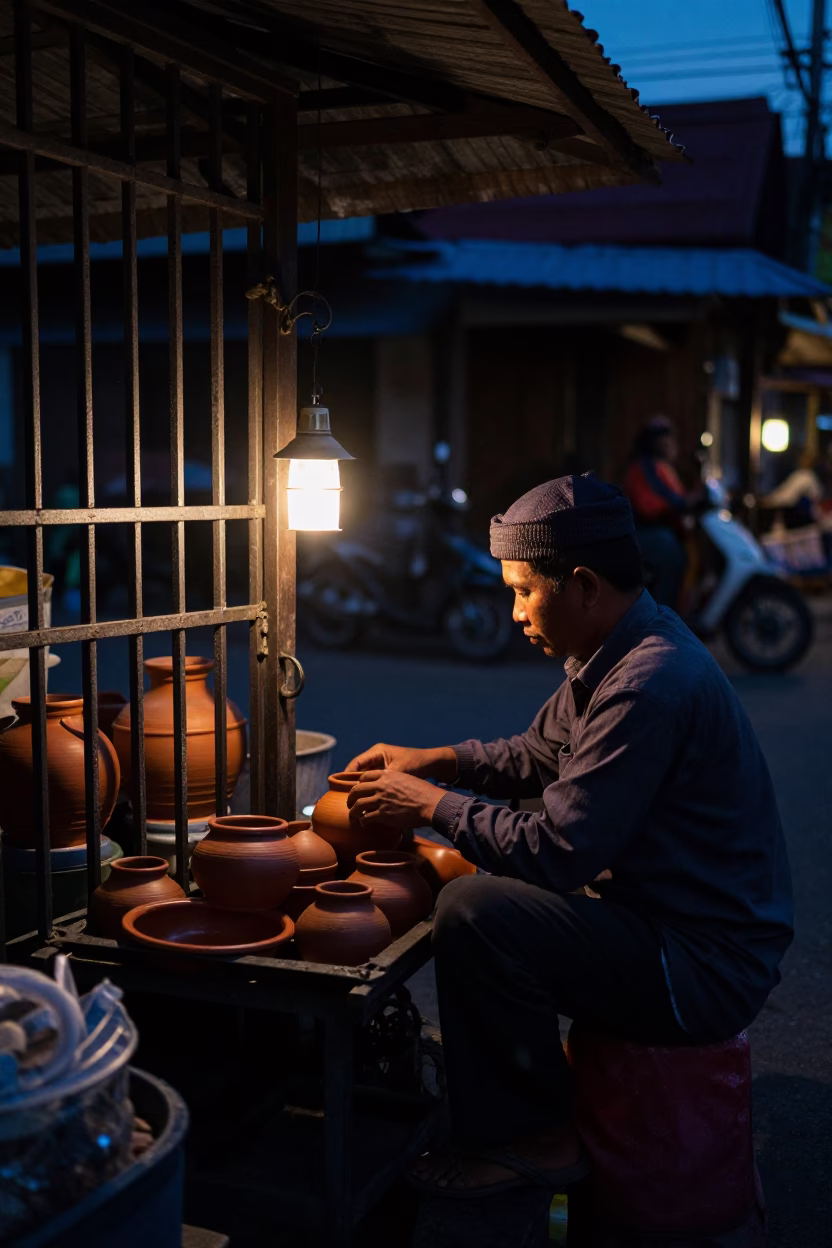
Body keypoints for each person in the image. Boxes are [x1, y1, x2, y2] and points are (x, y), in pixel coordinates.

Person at [344, 472, 793, 1199]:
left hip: (704, 967)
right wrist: (439, 761)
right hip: (667, 922)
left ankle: (538, 1138)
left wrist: (428, 803)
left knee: (476, 913)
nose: (515, 610)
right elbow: (535, 753)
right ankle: (524, 1093)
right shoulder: (616, 649)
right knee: (485, 869)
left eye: (525, 590)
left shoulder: (650, 681)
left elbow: (559, 851)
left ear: (583, 584)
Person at [623, 417, 698, 607]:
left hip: (664, 528)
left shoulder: (663, 468)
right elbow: (648, 506)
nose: (669, 443)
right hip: (645, 531)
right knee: (671, 553)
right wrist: (679, 504)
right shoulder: (642, 468)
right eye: (663, 439)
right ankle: (665, 609)